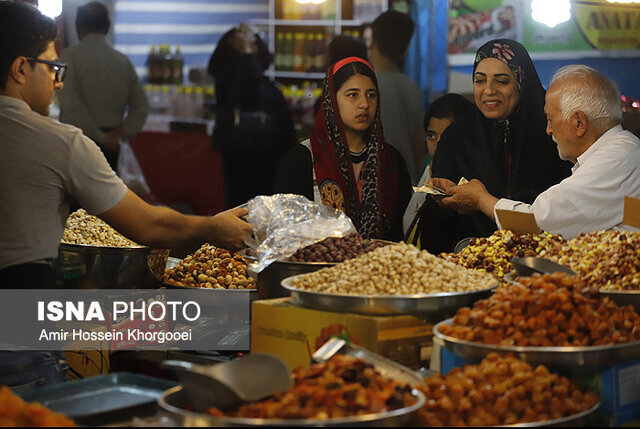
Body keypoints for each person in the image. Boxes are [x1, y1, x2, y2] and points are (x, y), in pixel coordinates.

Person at [0, 1, 252, 289]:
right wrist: (211, 227)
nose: (58, 83)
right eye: (53, 68)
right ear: (21, 69)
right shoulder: (61, 143)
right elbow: (148, 225)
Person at [432, 65, 640, 239]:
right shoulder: (620, 151)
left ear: (579, 122)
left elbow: (538, 222)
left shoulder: (618, 158)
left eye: (550, 119)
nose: (548, 130)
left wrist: (480, 199)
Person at [420, 39, 572, 254]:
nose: (488, 90)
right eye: (480, 81)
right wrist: (444, 203)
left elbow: (569, 207)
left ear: (521, 82)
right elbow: (434, 223)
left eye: (501, 81)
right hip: (473, 262)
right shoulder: (457, 137)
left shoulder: (552, 132)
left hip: (545, 259)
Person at [274, 57, 411, 241]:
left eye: (371, 95)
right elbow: (285, 233)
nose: (364, 104)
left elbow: (399, 235)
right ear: (331, 99)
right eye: (353, 94)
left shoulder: (391, 161)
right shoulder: (302, 159)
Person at [208, 24, 297, 209]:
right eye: (250, 45)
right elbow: (251, 88)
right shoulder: (231, 82)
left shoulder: (255, 80)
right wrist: (246, 51)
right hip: (248, 160)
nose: (254, 48)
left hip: (266, 159)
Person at [58, 1, 149, 170]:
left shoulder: (69, 57)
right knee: (110, 195)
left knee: (77, 196)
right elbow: (142, 105)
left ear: (77, 26)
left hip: (79, 144)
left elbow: (71, 105)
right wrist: (123, 133)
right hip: (113, 145)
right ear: (107, 27)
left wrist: (100, 137)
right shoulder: (122, 60)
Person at [403, 94, 472, 245]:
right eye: (431, 135)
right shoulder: (428, 171)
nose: (437, 144)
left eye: (447, 137)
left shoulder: (468, 184)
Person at [369, 10, 425, 183]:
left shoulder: (364, 87)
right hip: (405, 184)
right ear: (405, 51)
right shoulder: (413, 89)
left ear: (373, 43)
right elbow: (419, 146)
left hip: (372, 185)